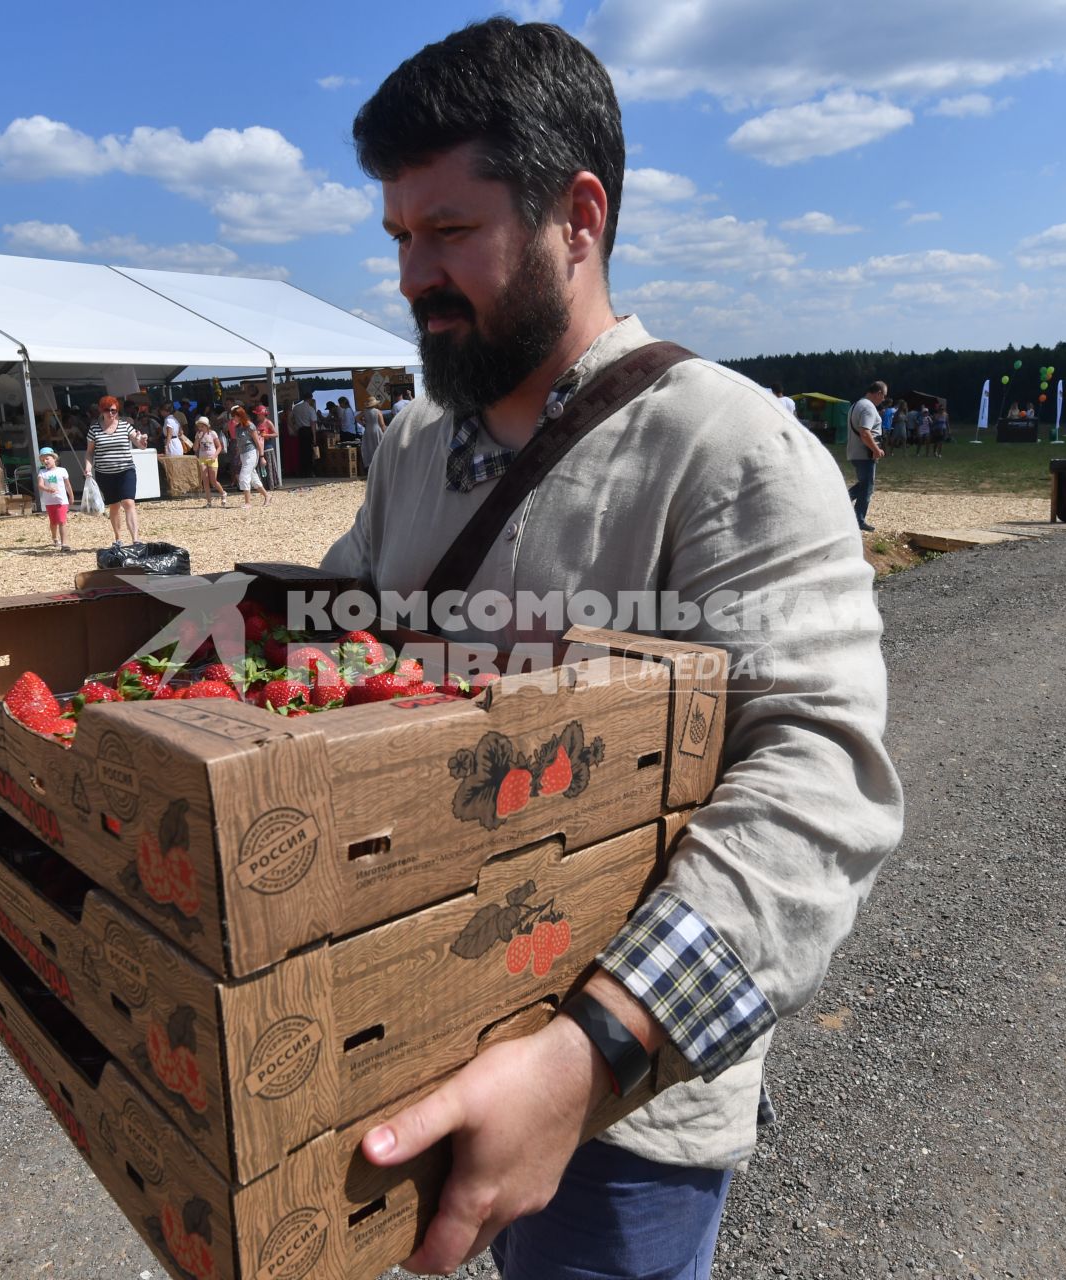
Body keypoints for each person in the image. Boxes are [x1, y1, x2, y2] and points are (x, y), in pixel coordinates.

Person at [330, 21, 900, 1278]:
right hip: (422, 1019)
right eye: (399, 239)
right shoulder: (415, 446)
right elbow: (334, 626)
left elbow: (821, 787)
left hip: (623, 1105)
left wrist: (591, 1054)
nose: (414, 275)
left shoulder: (732, 450)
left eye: (450, 231)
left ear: (576, 215)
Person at [83, 394, 148, 544]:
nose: (111, 413)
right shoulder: (94, 429)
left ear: (117, 411)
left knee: (128, 502)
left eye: (114, 410)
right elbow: (89, 452)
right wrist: (87, 468)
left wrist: (143, 440)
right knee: (114, 505)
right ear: (101, 411)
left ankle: (136, 539)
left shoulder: (125, 426)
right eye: (107, 410)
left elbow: (140, 445)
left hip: (126, 470)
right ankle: (118, 538)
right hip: (104, 473)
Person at [847, 381, 888, 531]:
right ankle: (858, 520)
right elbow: (865, 432)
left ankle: (842, 502)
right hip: (864, 454)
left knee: (864, 485)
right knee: (867, 487)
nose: (883, 400)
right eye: (883, 396)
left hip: (855, 452)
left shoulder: (856, 404)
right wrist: (876, 449)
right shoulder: (868, 408)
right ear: (878, 393)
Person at [225, 405, 271, 508]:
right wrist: (238, 456)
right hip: (243, 454)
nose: (233, 418)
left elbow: (257, 442)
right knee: (253, 479)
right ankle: (267, 496)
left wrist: (262, 456)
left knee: (244, 476)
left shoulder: (250, 426)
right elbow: (238, 443)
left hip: (251, 453)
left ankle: (248, 502)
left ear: (240, 415)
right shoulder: (237, 428)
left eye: (234, 416)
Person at [35, 447, 75, 552]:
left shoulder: (62, 471)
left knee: (62, 521)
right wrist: (47, 489)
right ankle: (55, 538)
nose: (45, 461)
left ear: (54, 458)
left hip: (62, 500)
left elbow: (68, 485)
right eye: (43, 460)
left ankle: (64, 543)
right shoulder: (42, 472)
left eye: (47, 458)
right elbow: (40, 485)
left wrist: (71, 496)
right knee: (53, 522)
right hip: (49, 502)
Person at [192, 415, 227, 507]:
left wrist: (215, 456)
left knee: (213, 481)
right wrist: (197, 439)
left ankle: (223, 493)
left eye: (202, 426)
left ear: (207, 426)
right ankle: (209, 502)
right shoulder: (198, 435)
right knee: (205, 480)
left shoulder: (213, 433)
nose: (200, 428)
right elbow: (195, 448)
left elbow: (219, 446)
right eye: (199, 426)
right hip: (202, 458)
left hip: (212, 458)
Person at [359, 396, 387, 472]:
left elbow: (357, 418)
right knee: (378, 447)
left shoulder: (364, 411)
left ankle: (370, 466)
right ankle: (379, 466)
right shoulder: (378, 411)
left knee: (369, 448)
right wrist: (386, 433)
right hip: (376, 430)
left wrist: (363, 424)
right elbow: (382, 424)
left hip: (368, 430)